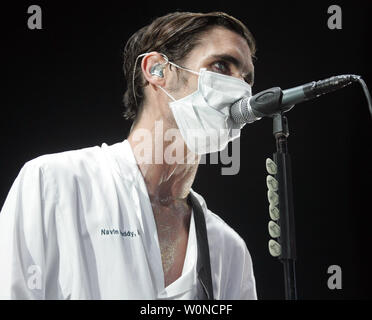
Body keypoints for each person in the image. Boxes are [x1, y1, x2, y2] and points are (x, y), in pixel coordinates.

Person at [0, 11, 257, 299]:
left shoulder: (228, 248)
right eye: (221, 66)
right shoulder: (53, 184)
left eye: (246, 79)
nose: (241, 92)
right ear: (157, 70)